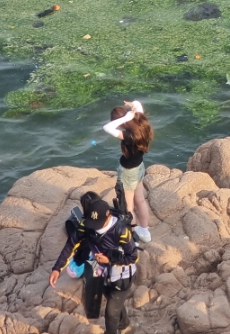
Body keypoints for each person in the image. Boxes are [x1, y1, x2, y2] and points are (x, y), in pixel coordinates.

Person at [50, 199, 139, 334]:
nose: (94, 227)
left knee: (110, 313)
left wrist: (109, 260)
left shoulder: (121, 231)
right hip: (102, 272)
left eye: (98, 224)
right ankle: (124, 323)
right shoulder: (87, 225)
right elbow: (71, 244)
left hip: (122, 275)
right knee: (111, 300)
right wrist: (57, 268)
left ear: (109, 217)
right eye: (92, 224)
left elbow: (133, 257)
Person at [103, 101, 154, 242]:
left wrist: (125, 118)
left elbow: (107, 127)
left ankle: (132, 237)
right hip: (139, 168)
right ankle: (145, 232)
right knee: (141, 201)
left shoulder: (129, 136)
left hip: (128, 173)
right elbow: (138, 105)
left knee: (129, 208)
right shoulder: (142, 125)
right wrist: (133, 107)